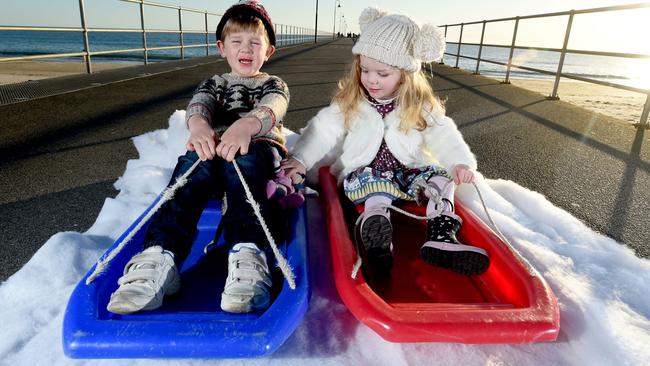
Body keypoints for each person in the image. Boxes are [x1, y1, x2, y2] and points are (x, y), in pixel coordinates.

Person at [107, 0, 290, 315]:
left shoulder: (272, 83)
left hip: (255, 149)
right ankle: (160, 256)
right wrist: (200, 127)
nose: (245, 49)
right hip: (215, 149)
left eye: (255, 43)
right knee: (190, 169)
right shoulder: (215, 84)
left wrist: (247, 126)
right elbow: (199, 106)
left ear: (268, 51)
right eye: (236, 41)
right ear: (222, 47)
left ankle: (248, 254)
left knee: (245, 161)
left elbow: (273, 106)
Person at [282, 7, 490, 279]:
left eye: (382, 74)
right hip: (366, 172)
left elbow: (443, 134)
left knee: (441, 179)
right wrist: (301, 159)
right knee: (376, 191)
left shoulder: (418, 104)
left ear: (405, 74)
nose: (371, 79)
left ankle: (442, 233)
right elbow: (322, 131)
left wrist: (459, 162)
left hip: (407, 171)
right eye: (365, 70)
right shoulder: (351, 100)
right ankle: (376, 233)